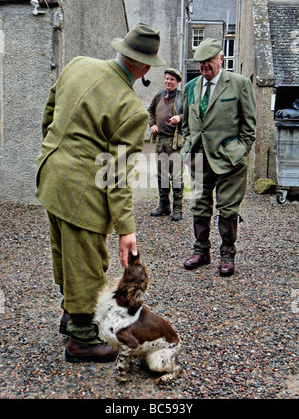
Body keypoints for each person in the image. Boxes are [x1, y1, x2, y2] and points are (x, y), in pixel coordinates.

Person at [36, 23, 165, 362]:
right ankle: (80, 338)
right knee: (89, 264)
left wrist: (55, 153)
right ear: (146, 67)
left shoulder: (79, 64)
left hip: (50, 175)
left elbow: (49, 113)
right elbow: (117, 177)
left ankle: (70, 314)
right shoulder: (132, 109)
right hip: (81, 193)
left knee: (65, 253)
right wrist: (126, 230)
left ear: (122, 50)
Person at [181, 38, 256, 276]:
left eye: (209, 60)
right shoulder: (191, 87)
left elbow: (249, 129)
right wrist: (186, 148)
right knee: (199, 207)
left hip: (229, 163)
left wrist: (237, 153)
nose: (205, 66)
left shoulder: (239, 84)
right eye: (201, 62)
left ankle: (227, 254)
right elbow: (186, 125)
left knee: (228, 210)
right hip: (199, 160)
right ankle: (201, 251)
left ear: (221, 58)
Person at [148, 68, 184, 221]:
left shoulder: (182, 97)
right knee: (161, 175)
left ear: (177, 82)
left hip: (174, 142)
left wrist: (180, 117)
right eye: (166, 79)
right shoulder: (160, 95)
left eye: (172, 80)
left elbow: (192, 113)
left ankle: (177, 209)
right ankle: (164, 206)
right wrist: (152, 124)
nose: (168, 82)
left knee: (176, 176)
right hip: (160, 141)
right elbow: (150, 111)